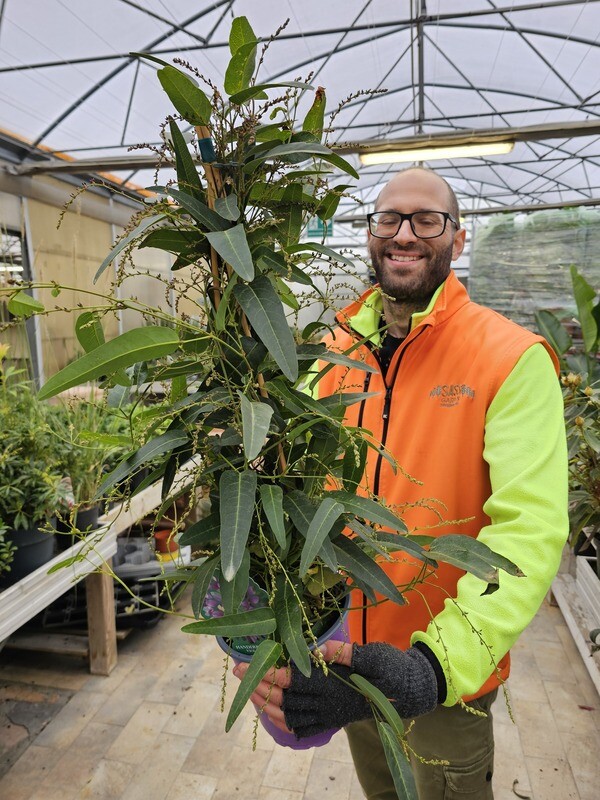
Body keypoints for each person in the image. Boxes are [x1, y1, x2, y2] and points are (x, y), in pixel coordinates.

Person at [233, 167, 569, 799]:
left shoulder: (508, 359)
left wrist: (434, 667)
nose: (405, 234)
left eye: (426, 220)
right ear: (370, 234)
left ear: (458, 238)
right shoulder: (332, 349)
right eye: (389, 219)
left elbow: (529, 537)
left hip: (442, 678)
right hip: (348, 660)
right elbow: (286, 478)